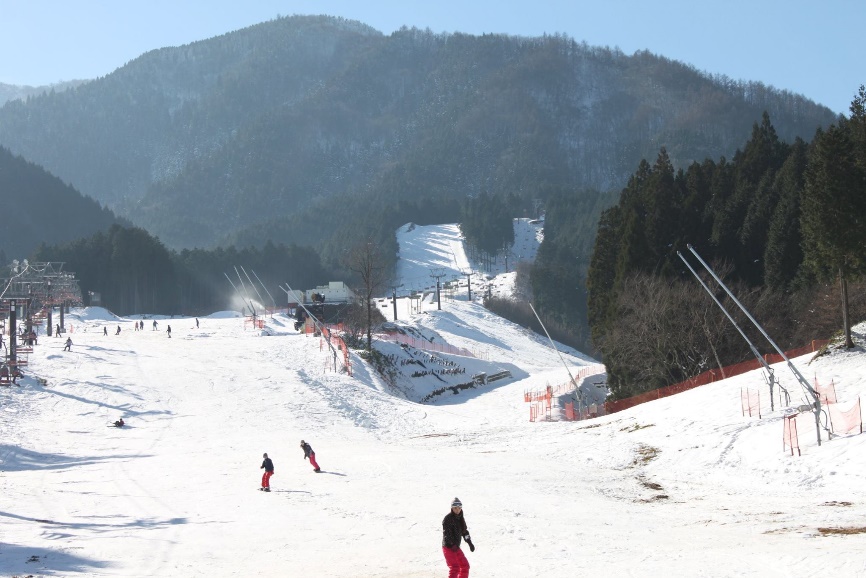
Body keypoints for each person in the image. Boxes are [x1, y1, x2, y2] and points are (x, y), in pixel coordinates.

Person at [442, 497, 474, 578]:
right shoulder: (448, 519)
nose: (457, 510)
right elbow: (447, 534)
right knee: (455, 567)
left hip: (456, 547)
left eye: (459, 508)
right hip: (448, 547)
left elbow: (464, 531)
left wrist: (469, 542)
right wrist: (452, 544)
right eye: (455, 508)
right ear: (452, 508)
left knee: (465, 566)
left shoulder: (460, 518)